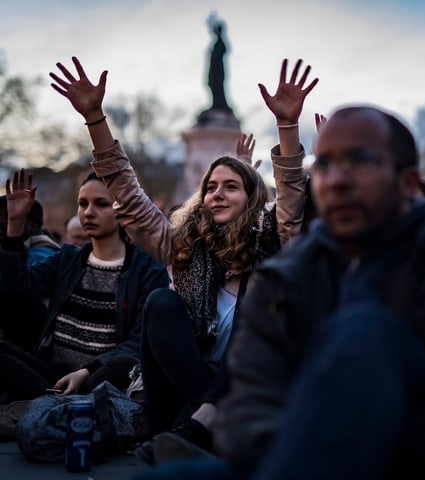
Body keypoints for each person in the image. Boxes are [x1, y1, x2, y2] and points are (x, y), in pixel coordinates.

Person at [137, 104, 425, 480]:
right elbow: (248, 399)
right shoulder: (288, 277)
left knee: (363, 327)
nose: (336, 180)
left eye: (359, 161)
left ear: (408, 183)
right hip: (298, 453)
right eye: (325, 165)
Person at [49, 56, 316, 464]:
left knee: (265, 290)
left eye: (231, 186)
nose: (218, 194)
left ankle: (203, 426)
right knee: (161, 300)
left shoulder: (273, 248)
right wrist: (95, 118)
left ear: (252, 197)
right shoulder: (183, 246)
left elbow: (293, 202)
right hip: (178, 396)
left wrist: (287, 126)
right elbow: (129, 197)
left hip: (247, 389)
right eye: (211, 187)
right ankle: (200, 423)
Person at [0, 169, 169, 403]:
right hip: (53, 377)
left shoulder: (147, 271)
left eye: (101, 204)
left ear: (123, 210)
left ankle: (58, 407)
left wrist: (87, 371)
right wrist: (15, 225)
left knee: (123, 365)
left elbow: (138, 342)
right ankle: (58, 405)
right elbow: (16, 287)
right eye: (83, 204)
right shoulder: (68, 258)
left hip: (100, 379)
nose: (88, 212)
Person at [0, 195, 60, 351]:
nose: (2, 223)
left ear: (32, 224)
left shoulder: (45, 252)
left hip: (32, 347)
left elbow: (15, 279)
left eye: (9, 217)